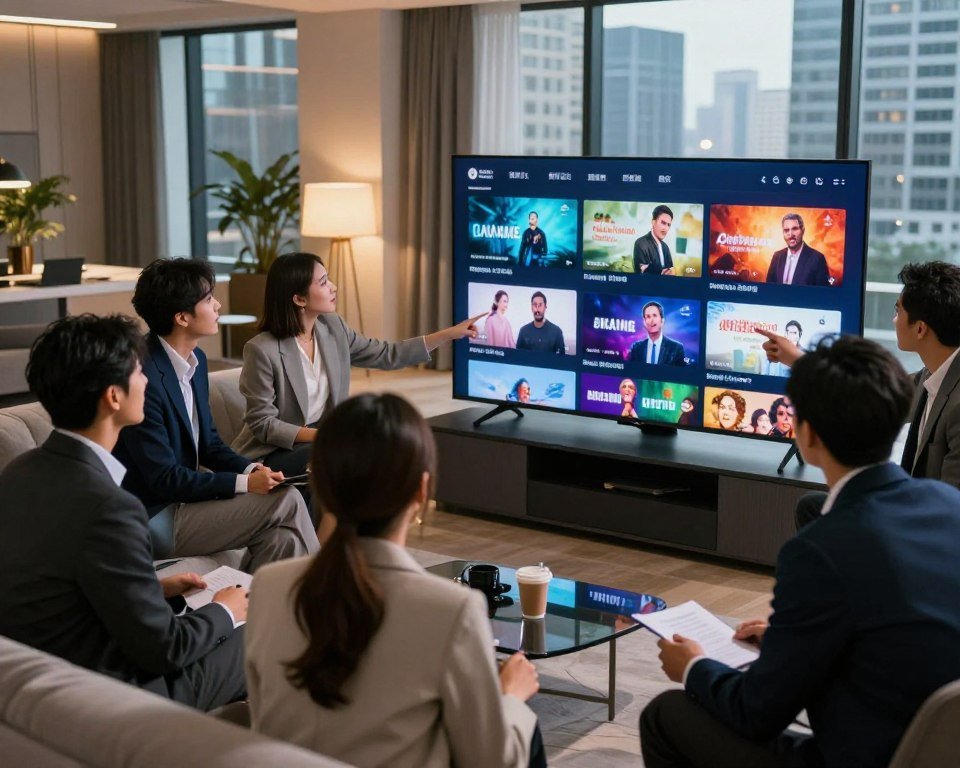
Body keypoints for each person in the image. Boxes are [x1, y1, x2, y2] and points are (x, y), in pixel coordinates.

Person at [640, 336, 960, 768]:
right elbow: (897, 629)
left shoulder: (819, 550)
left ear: (806, 435)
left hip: (870, 756)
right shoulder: (949, 506)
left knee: (666, 715)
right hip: (938, 747)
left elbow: (756, 713)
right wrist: (793, 641)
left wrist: (695, 667)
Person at [244, 393, 545, 768]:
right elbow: (490, 760)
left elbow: (262, 721)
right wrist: (510, 697)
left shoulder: (268, 587)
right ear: (421, 492)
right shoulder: (452, 609)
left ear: (319, 482)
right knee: (525, 732)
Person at [0, 315, 247, 710]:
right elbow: (165, 650)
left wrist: (153, 588)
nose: (147, 381)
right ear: (113, 397)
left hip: (40, 673)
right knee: (259, 632)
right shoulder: (109, 506)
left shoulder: (19, 472)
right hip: (107, 692)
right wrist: (225, 610)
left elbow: (57, 582)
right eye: (138, 371)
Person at [114, 258, 319, 573]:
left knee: (282, 539)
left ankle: (253, 615)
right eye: (209, 299)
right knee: (287, 500)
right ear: (182, 317)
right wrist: (244, 484)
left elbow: (209, 443)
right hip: (155, 516)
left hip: (186, 501)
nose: (218, 304)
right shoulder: (142, 378)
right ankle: (333, 592)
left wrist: (252, 469)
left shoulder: (195, 359)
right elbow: (164, 479)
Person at [232, 252, 483, 487]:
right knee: (335, 460)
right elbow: (264, 425)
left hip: (323, 438)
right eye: (322, 282)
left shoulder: (333, 328)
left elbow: (386, 354)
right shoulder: (262, 350)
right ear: (299, 299)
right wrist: (324, 436)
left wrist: (449, 334)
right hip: (274, 451)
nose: (333, 287)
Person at [761, 261, 960, 527]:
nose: (894, 320)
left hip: (931, 529)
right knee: (813, 506)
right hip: (915, 506)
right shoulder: (935, 373)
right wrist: (797, 358)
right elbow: (869, 393)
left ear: (920, 328)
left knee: (820, 511)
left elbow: (951, 511)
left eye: (898, 311)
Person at [765, 213, 830, 287]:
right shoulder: (777, 256)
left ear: (803, 230)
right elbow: (768, 288)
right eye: (786, 230)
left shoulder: (817, 259)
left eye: (794, 229)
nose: (790, 234)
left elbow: (822, 294)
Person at [628, 301, 687, 366]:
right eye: (648, 316)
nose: (651, 320)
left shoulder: (676, 348)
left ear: (662, 321)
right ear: (644, 322)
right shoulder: (636, 347)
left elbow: (680, 375)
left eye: (655, 315)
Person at [633, 204, 675, 275]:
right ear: (653, 222)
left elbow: (671, 272)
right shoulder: (641, 243)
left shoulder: (665, 247)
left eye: (668, 225)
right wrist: (661, 271)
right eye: (663, 223)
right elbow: (642, 271)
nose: (666, 228)